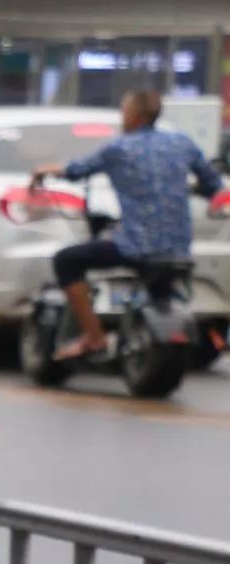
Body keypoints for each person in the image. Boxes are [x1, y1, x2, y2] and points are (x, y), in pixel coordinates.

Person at [34, 90, 224, 361]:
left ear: (135, 115)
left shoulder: (120, 148)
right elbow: (213, 184)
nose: (122, 117)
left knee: (66, 261)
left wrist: (44, 171)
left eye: (124, 111)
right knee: (162, 288)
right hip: (179, 248)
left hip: (136, 246)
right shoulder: (182, 143)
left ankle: (94, 337)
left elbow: (77, 169)